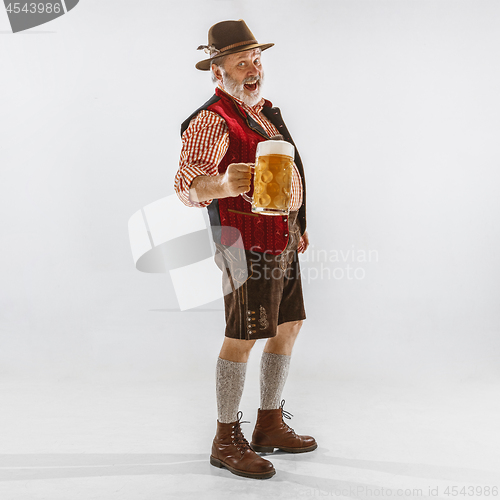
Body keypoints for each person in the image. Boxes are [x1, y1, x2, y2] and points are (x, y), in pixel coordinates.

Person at [174, 19, 316, 480]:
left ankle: (269, 423)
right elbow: (186, 185)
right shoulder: (212, 119)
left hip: (281, 239)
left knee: (288, 326)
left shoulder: (265, 113)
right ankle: (224, 439)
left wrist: (299, 225)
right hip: (243, 244)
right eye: (241, 61)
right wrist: (219, 182)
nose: (253, 67)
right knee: (243, 335)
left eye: (256, 58)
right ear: (218, 70)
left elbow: (293, 175)